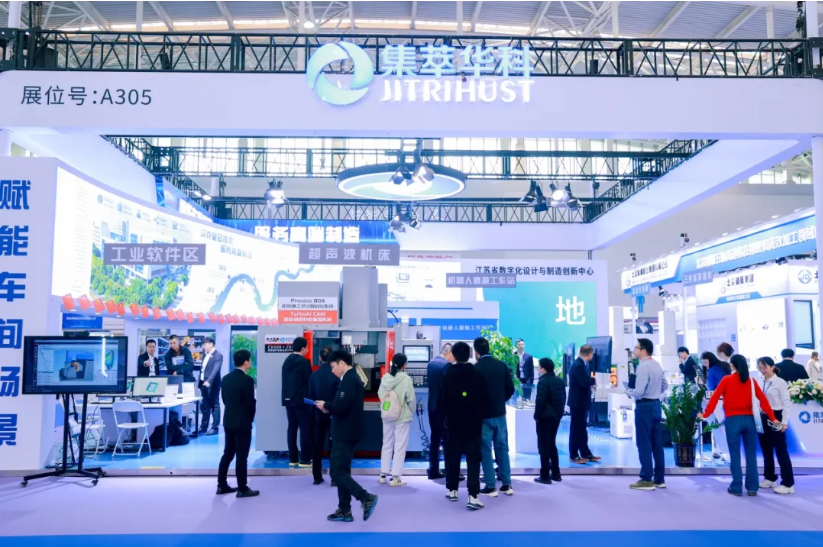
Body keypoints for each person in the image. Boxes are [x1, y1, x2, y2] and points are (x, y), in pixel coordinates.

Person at [699, 354, 778, 497]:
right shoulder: (751, 381)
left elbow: (714, 398)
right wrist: (773, 418)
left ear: (732, 365)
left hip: (732, 421)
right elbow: (763, 401)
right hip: (749, 421)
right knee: (751, 456)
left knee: (734, 455)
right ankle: (752, 487)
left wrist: (705, 414)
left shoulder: (726, 380)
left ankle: (736, 487)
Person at [316, 350, 378, 523]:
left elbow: (340, 406)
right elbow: (342, 405)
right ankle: (344, 510)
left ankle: (365, 497)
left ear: (341, 363)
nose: (332, 371)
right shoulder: (349, 378)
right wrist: (329, 407)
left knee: (336, 473)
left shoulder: (349, 379)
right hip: (347, 431)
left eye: (333, 366)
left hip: (345, 433)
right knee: (343, 472)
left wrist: (326, 405)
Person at [441, 341, 489, 511]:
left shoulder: (447, 374)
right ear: (470, 354)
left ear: (453, 355)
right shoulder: (478, 374)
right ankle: (473, 496)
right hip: (473, 423)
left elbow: (443, 399)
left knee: (452, 456)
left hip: (453, 423)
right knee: (473, 459)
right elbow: (486, 399)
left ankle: (452, 490)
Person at [473, 336, 515, 497]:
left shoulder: (476, 368)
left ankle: (490, 485)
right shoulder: (501, 365)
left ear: (476, 352)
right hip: (500, 413)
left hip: (483, 416)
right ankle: (507, 484)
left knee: (485, 450)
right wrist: (500, 400)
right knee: (502, 448)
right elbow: (510, 388)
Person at [626, 338, 668, 491]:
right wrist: (654, 392)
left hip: (644, 407)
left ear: (643, 351)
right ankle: (659, 479)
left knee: (644, 443)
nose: (634, 350)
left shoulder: (643, 367)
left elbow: (639, 391)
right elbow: (665, 385)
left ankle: (646, 479)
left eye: (636, 348)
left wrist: (629, 392)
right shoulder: (657, 365)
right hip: (656, 405)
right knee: (657, 444)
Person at [216, 349, 259, 498]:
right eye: (250, 360)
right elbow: (250, 403)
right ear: (246, 362)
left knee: (228, 453)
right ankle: (242, 488)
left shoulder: (226, 378)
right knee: (241, 456)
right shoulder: (247, 380)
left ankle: (221, 485)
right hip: (242, 423)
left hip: (228, 421)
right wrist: (250, 419)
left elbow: (224, 399)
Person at [756, 357, 795, 495]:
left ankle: (788, 483)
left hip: (776, 416)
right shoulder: (759, 381)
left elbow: (786, 403)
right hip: (762, 416)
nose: (762, 370)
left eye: (765, 367)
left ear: (772, 367)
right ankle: (770, 477)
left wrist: (784, 422)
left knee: (781, 451)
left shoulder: (780, 382)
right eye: (760, 367)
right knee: (766, 449)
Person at [377, 353, 416, 487]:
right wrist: (411, 411)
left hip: (387, 416)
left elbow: (380, 394)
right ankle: (395, 477)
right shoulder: (406, 379)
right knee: (400, 446)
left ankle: (383, 474)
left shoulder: (385, 378)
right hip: (402, 417)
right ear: (404, 365)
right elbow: (411, 399)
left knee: (386, 444)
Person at [308, 346, 339, 486]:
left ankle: (317, 476)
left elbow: (310, 397)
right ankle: (334, 478)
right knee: (334, 445)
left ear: (320, 358)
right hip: (334, 414)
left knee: (317, 445)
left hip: (318, 414)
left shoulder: (314, 375)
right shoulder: (336, 374)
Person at [282, 337, 313, 468]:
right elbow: (310, 381)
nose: (307, 350)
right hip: (301, 401)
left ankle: (293, 458)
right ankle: (305, 459)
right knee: (305, 429)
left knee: (292, 428)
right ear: (303, 348)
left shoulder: (287, 361)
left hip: (288, 400)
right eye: (307, 347)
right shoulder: (304, 362)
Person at [533, 358, 565, 485]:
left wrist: (537, 416)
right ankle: (556, 473)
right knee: (551, 444)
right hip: (556, 417)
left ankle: (545, 475)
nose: (538, 369)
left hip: (545, 418)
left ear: (543, 369)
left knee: (544, 446)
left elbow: (540, 401)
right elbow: (563, 399)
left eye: (539, 366)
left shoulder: (543, 382)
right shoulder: (559, 381)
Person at [567, 345, 600, 465]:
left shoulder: (581, 364)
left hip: (580, 402)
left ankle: (585, 452)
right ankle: (574, 455)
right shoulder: (578, 366)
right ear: (590, 354)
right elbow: (584, 382)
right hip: (578, 402)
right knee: (576, 429)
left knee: (581, 429)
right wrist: (593, 379)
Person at [426, 343, 453, 479]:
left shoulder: (430, 364)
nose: (454, 359)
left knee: (434, 439)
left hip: (432, 406)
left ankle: (433, 470)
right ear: (448, 352)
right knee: (447, 441)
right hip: (444, 409)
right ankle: (450, 471)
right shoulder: (447, 366)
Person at [198, 337, 223, 436]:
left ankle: (215, 428)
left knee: (214, 405)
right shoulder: (205, 355)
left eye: (205, 344)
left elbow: (216, 370)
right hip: (204, 384)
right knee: (205, 405)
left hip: (213, 384)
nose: (204, 346)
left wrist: (209, 381)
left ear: (211, 344)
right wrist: (200, 383)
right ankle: (203, 427)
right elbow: (202, 370)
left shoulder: (218, 355)